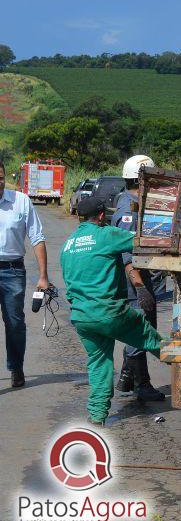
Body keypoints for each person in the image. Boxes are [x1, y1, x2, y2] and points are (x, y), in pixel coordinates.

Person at [61, 195, 166, 425]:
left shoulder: (68, 245)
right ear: (101, 216)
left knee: (99, 364)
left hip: (82, 317)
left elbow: (69, 286)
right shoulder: (106, 234)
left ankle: (97, 416)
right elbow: (140, 240)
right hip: (110, 312)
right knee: (148, 336)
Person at [111, 155, 165, 401]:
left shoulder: (133, 202)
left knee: (141, 328)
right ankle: (141, 384)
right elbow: (126, 254)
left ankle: (126, 379)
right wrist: (140, 287)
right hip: (134, 281)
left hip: (139, 279)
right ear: (143, 179)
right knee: (141, 331)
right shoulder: (128, 210)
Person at [0, 162, 50, 389]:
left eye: (0, 177)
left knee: (15, 323)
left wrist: (43, 276)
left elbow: (37, 238)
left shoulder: (21, 201)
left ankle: (16, 366)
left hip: (12, 270)